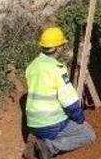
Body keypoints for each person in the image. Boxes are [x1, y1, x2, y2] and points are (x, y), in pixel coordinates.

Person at [24, 26, 96, 159]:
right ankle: (48, 147)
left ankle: (38, 137)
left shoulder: (32, 66)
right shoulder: (57, 69)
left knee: (64, 124)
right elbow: (71, 103)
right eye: (62, 44)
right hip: (51, 122)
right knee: (89, 135)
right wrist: (80, 120)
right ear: (56, 48)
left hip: (33, 123)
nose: (63, 47)